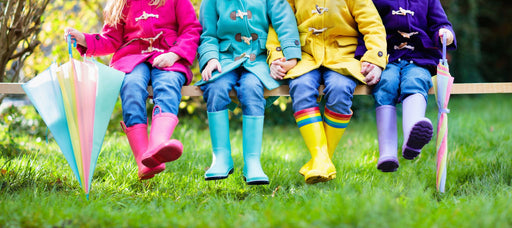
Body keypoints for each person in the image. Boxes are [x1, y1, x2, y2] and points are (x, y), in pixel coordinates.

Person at [65, 0, 202, 180]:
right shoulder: (121, 3)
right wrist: (84, 39)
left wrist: (175, 54)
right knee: (131, 86)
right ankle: (143, 160)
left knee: (168, 83)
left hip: (169, 55)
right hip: (132, 57)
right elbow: (110, 40)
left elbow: (190, 29)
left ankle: (158, 145)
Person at [266, 0, 387, 184]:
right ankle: (322, 159)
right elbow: (278, 23)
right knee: (301, 86)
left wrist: (376, 59)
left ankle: (321, 160)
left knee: (340, 88)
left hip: (342, 56)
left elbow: (372, 25)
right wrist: (276, 57)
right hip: (303, 55)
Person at [196, 0, 301, 185]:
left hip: (259, 58)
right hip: (224, 57)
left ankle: (252, 161)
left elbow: (284, 22)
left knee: (252, 88)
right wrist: (210, 57)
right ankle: (221, 157)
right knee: (215, 87)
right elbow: (207, 34)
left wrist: (290, 55)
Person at [368, 0, 457, 172]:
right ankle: (387, 153)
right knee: (386, 84)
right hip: (386, 58)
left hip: (419, 58)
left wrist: (446, 33)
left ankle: (412, 138)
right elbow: (367, 25)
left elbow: (440, 22)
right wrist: (369, 58)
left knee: (416, 80)